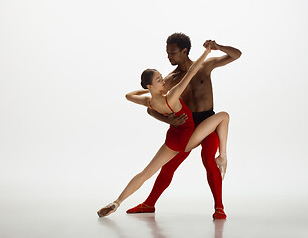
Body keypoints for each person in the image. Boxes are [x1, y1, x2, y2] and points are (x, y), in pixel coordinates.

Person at [97, 41, 230, 218]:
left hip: (172, 139)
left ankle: (117, 202)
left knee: (145, 173)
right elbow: (191, 72)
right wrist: (206, 52)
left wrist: (149, 90)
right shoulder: (172, 96)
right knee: (224, 116)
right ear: (151, 86)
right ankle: (223, 157)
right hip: (187, 138)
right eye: (159, 80)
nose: (163, 80)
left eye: (161, 77)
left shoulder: (149, 101)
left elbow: (129, 96)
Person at [126, 33, 241, 219]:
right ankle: (149, 204)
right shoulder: (170, 79)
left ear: (184, 51)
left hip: (208, 122)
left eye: (172, 53)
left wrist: (218, 47)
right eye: (167, 53)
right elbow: (151, 105)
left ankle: (219, 208)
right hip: (186, 125)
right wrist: (168, 120)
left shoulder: (204, 66)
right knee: (168, 167)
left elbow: (237, 55)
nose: (168, 57)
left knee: (209, 160)